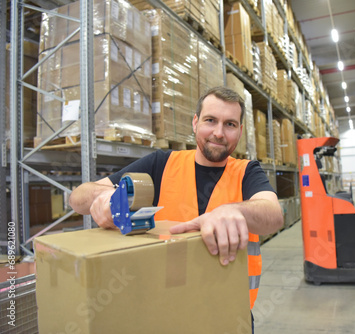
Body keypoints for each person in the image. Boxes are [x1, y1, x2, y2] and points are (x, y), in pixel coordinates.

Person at [69, 86, 284, 329]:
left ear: (240, 131)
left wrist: (234, 210)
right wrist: (107, 196)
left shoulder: (247, 171)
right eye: (210, 120)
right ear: (195, 122)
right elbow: (78, 197)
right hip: (165, 310)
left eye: (230, 124)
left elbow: (274, 215)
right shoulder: (161, 164)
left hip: (229, 312)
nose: (218, 132)